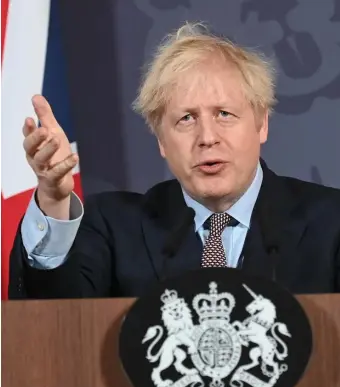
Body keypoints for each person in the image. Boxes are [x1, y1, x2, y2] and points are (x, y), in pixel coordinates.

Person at [9, 22, 340, 299]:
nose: (207, 137)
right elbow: (56, 326)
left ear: (261, 124)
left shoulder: (331, 223)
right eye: (186, 119)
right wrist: (53, 199)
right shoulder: (111, 228)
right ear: (161, 140)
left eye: (224, 114)